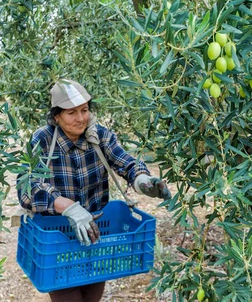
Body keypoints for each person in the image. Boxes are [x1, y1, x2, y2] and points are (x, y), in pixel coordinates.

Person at [17, 79, 171, 302]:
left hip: (95, 235)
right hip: (58, 242)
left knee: (92, 296)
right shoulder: (43, 140)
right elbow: (27, 188)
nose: (80, 118)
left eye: (84, 110)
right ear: (56, 116)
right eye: (71, 112)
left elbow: (125, 161)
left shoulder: (99, 135)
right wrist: (68, 207)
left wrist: (143, 181)